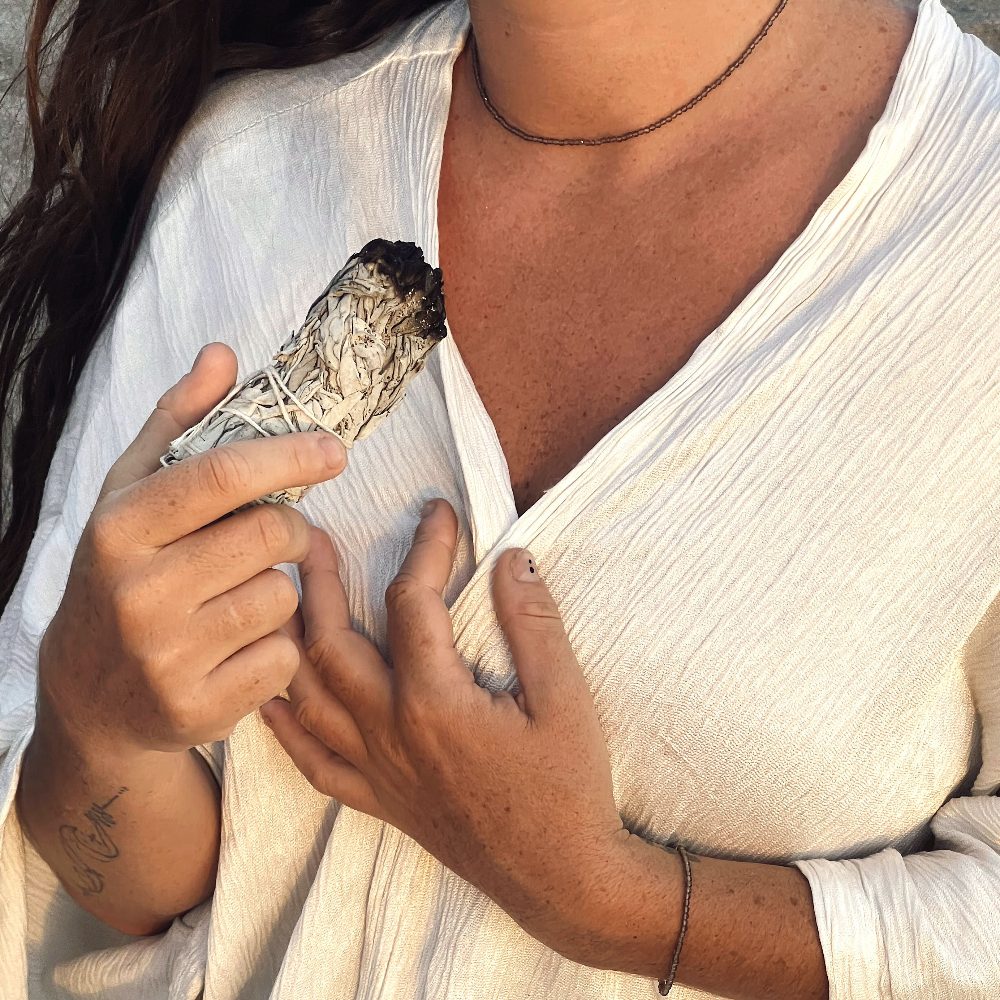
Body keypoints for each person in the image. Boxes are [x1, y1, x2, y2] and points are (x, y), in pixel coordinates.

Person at [0, 0, 998, 996]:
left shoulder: (971, 237)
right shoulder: (252, 173)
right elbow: (123, 896)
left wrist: (618, 903)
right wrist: (95, 722)